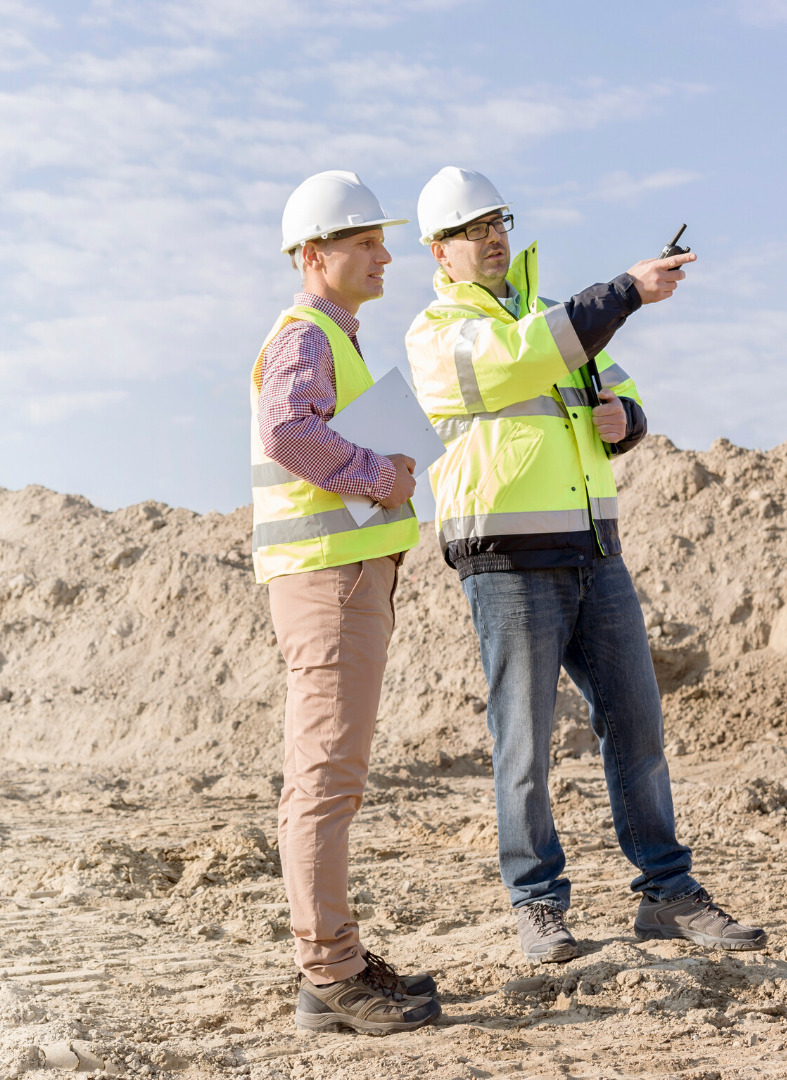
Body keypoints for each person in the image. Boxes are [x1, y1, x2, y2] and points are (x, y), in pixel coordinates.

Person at [405, 166, 766, 962]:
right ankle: (538, 905)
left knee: (637, 726)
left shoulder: (553, 317)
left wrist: (623, 419)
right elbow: (521, 360)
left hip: (594, 549)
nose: (493, 236)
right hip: (506, 559)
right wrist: (625, 292)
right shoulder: (441, 334)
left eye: (498, 221)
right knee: (525, 744)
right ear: (440, 249)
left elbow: (622, 392)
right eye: (474, 228)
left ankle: (667, 893)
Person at [252, 170, 440, 1033]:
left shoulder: (333, 337)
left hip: (348, 576)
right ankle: (329, 975)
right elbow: (286, 430)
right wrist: (376, 473)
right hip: (328, 582)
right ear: (315, 254)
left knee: (333, 778)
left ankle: (338, 962)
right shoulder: (308, 336)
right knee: (326, 781)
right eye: (366, 243)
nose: (384, 255)